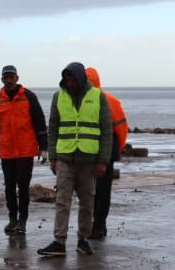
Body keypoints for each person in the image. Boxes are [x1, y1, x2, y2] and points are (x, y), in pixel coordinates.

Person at [38, 62, 112, 257]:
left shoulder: (98, 96)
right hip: (65, 159)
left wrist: (103, 160)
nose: (70, 84)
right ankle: (59, 242)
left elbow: (107, 131)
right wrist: (52, 157)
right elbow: (52, 128)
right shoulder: (58, 96)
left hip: (88, 160)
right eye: (67, 80)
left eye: (73, 80)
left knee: (87, 202)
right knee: (62, 200)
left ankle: (83, 240)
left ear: (81, 79)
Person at [0, 65, 48, 235]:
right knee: (9, 186)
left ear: (17, 78)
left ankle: (23, 220)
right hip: (7, 150)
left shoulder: (29, 97)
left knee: (23, 186)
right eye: (6, 77)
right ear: (2, 80)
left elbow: (40, 122)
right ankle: (12, 218)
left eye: (12, 77)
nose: (9, 80)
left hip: (26, 150)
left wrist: (44, 148)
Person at [86, 67, 127, 240]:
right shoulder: (110, 99)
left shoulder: (104, 99)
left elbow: (119, 127)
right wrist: (119, 147)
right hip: (97, 150)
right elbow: (122, 128)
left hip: (101, 149)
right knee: (98, 190)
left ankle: (98, 225)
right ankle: (98, 225)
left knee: (97, 190)